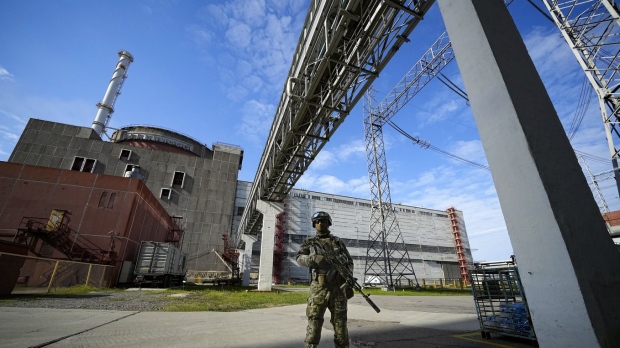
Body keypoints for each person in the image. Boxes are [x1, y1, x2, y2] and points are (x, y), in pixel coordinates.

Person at [296, 211, 354, 348]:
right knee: (314, 323)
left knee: (340, 325)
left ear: (328, 223)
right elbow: (299, 258)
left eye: (323, 221)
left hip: (338, 289)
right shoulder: (309, 242)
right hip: (318, 289)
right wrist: (312, 259)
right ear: (314, 224)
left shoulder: (337, 242)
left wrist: (347, 275)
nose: (320, 223)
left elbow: (349, 262)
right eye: (317, 221)